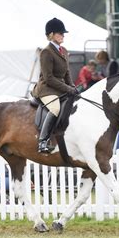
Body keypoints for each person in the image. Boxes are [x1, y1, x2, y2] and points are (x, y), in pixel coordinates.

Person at [32, 17, 77, 153]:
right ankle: (43, 141)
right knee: (55, 108)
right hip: (47, 89)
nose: (63, 35)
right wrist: (68, 88)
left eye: (63, 33)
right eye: (60, 33)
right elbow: (49, 78)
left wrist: (73, 86)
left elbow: (67, 72)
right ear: (51, 35)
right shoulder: (46, 52)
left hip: (60, 88)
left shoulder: (63, 50)